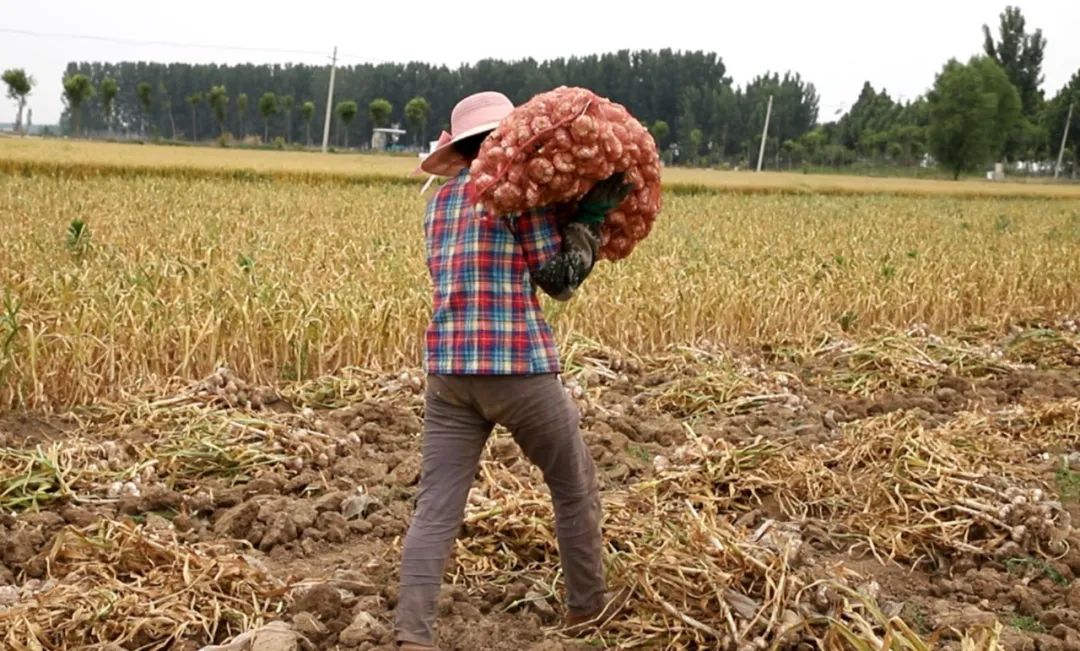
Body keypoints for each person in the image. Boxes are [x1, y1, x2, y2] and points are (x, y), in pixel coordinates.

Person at [395, 91, 629, 650]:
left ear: (461, 147)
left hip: (449, 373)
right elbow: (560, 280)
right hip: (518, 368)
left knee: (436, 508)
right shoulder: (521, 199)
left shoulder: (439, 203)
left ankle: (412, 636)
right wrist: (590, 220)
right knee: (573, 488)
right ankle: (586, 615)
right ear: (509, 141)